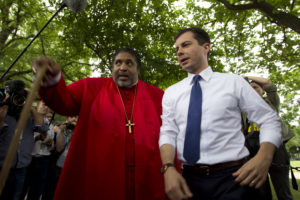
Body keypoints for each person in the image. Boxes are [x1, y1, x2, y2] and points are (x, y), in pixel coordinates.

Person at [159, 27, 282, 200]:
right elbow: (168, 132)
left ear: (206, 47)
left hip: (234, 179)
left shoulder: (233, 82)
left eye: (185, 45)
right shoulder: (171, 92)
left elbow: (269, 119)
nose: (179, 52)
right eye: (177, 48)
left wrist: (264, 157)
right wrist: (168, 167)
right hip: (188, 181)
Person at [31, 48, 167, 199]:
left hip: (146, 176)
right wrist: (52, 79)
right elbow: (63, 101)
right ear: (113, 68)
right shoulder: (90, 87)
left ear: (138, 69)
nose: (123, 67)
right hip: (101, 174)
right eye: (118, 63)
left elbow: (170, 133)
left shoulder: (158, 95)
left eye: (129, 63)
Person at [242, 76, 294, 200]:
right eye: (250, 89)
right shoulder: (243, 108)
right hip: (253, 149)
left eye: (255, 87)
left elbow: (268, 83)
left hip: (275, 148)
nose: (252, 90)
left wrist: (246, 77)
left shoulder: (271, 102)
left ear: (263, 91)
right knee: (260, 192)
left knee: (283, 190)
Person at [0, 80, 47, 200]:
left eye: (20, 97)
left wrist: (30, 107)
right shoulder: (2, 111)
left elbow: (42, 128)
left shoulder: (29, 116)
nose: (18, 100)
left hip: (21, 170)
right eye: (15, 96)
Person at [20, 101, 54, 200]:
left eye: (48, 105)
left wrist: (49, 142)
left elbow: (51, 146)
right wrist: (37, 139)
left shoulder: (50, 126)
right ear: (37, 106)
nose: (46, 107)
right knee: (23, 188)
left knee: (37, 190)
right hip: (29, 159)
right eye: (44, 104)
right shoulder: (28, 121)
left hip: (43, 161)